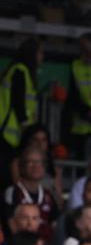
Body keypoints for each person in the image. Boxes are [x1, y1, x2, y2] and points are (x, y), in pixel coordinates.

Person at [0, 39, 42, 168]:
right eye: (40, 52)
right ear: (32, 54)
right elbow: (18, 101)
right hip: (6, 131)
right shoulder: (20, 71)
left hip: (11, 132)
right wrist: (25, 123)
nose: (42, 56)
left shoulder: (20, 71)